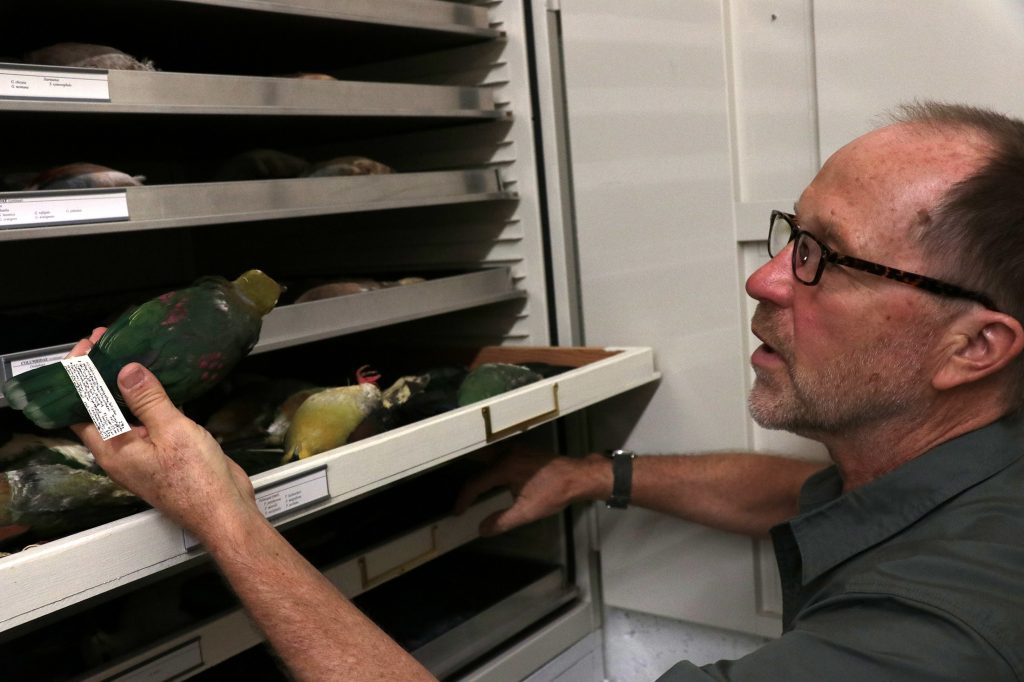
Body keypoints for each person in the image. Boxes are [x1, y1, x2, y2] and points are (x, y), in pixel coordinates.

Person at [72, 100, 1024, 681]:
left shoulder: (937, 638)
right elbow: (815, 500)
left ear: (974, 346)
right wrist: (593, 474)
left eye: (825, 258)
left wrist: (227, 518)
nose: (766, 277)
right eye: (790, 233)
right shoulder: (966, 470)